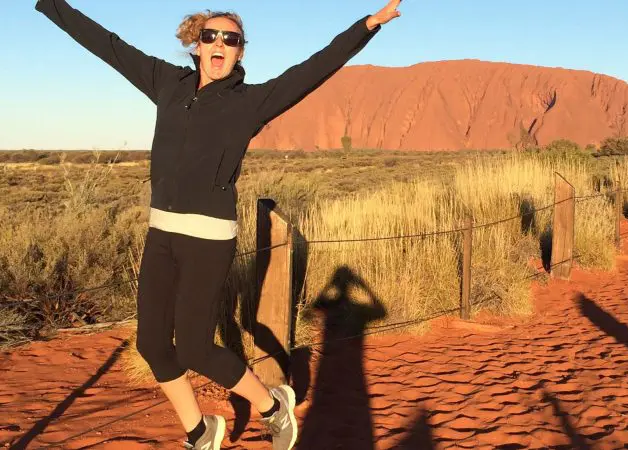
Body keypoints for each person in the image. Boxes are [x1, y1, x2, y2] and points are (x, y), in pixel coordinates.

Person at [35, 0, 402, 449]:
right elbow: (107, 45)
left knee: (193, 348)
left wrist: (367, 26)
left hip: (208, 239)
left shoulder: (251, 103)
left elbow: (315, 68)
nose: (220, 45)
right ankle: (200, 431)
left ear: (240, 53)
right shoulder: (166, 82)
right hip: (162, 233)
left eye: (231, 40)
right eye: (211, 36)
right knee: (151, 345)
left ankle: (272, 406)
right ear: (197, 44)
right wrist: (50, 5)